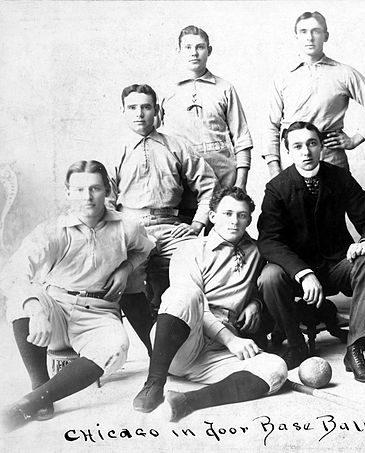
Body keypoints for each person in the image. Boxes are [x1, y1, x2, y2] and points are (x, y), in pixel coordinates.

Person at [0, 160, 154, 431]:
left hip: (99, 311)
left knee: (117, 347)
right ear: (68, 193)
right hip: (56, 306)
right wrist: (36, 307)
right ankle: (39, 385)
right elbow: (13, 272)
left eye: (95, 188)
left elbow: (146, 248)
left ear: (107, 190)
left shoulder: (126, 227)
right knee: (18, 300)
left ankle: (33, 402)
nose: (87, 196)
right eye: (79, 189)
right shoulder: (53, 230)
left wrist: (127, 268)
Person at [132, 186, 287, 422]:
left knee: (276, 368)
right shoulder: (190, 249)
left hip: (216, 355)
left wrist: (255, 302)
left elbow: (264, 284)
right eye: (227, 213)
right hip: (181, 343)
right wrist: (231, 340)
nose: (234, 221)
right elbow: (189, 305)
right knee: (187, 293)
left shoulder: (256, 251)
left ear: (248, 220)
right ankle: (154, 382)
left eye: (242, 215)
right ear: (212, 216)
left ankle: (187, 401)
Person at [257, 121, 365, 382]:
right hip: (297, 275)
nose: (306, 152)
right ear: (288, 152)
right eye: (297, 146)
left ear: (320, 146)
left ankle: (355, 349)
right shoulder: (277, 188)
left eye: (311, 144)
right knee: (269, 277)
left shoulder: (339, 177)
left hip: (337, 266)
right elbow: (269, 241)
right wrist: (303, 273)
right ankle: (296, 345)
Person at [110, 83, 217, 354]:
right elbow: (107, 200)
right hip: (131, 228)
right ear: (123, 111)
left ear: (156, 110)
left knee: (195, 269)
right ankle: (155, 347)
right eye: (132, 108)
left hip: (171, 228)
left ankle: (192, 344)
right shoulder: (115, 150)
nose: (139, 113)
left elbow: (209, 186)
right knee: (126, 276)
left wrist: (196, 224)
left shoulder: (176, 146)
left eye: (146, 107)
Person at [263, 11, 365, 177]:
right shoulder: (282, 78)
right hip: (293, 161)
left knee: (337, 202)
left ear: (326, 36)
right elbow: (271, 126)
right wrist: (274, 169)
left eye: (316, 31)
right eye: (303, 32)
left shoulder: (344, 73)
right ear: (296, 36)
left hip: (331, 159)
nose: (309, 37)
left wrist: (355, 139)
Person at [159, 25, 253, 219]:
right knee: (185, 240)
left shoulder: (225, 88)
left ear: (209, 51)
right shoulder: (166, 91)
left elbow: (242, 137)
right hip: (181, 182)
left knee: (221, 241)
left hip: (222, 180)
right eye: (187, 47)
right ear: (178, 50)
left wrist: (240, 183)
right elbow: (155, 138)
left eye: (200, 47)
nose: (194, 53)